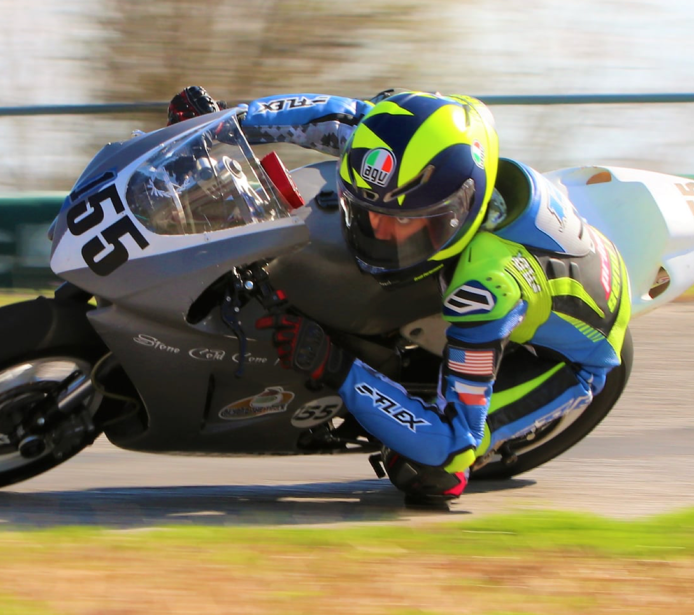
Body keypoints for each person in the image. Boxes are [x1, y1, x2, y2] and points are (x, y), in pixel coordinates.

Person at [167, 86, 632, 506]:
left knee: (428, 468)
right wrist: (223, 122)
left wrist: (334, 364)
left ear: (459, 209)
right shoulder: (411, 147)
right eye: (369, 214)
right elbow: (329, 115)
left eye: (404, 221)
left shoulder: (485, 289)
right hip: (534, 258)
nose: (380, 233)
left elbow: (451, 440)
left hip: (573, 358)